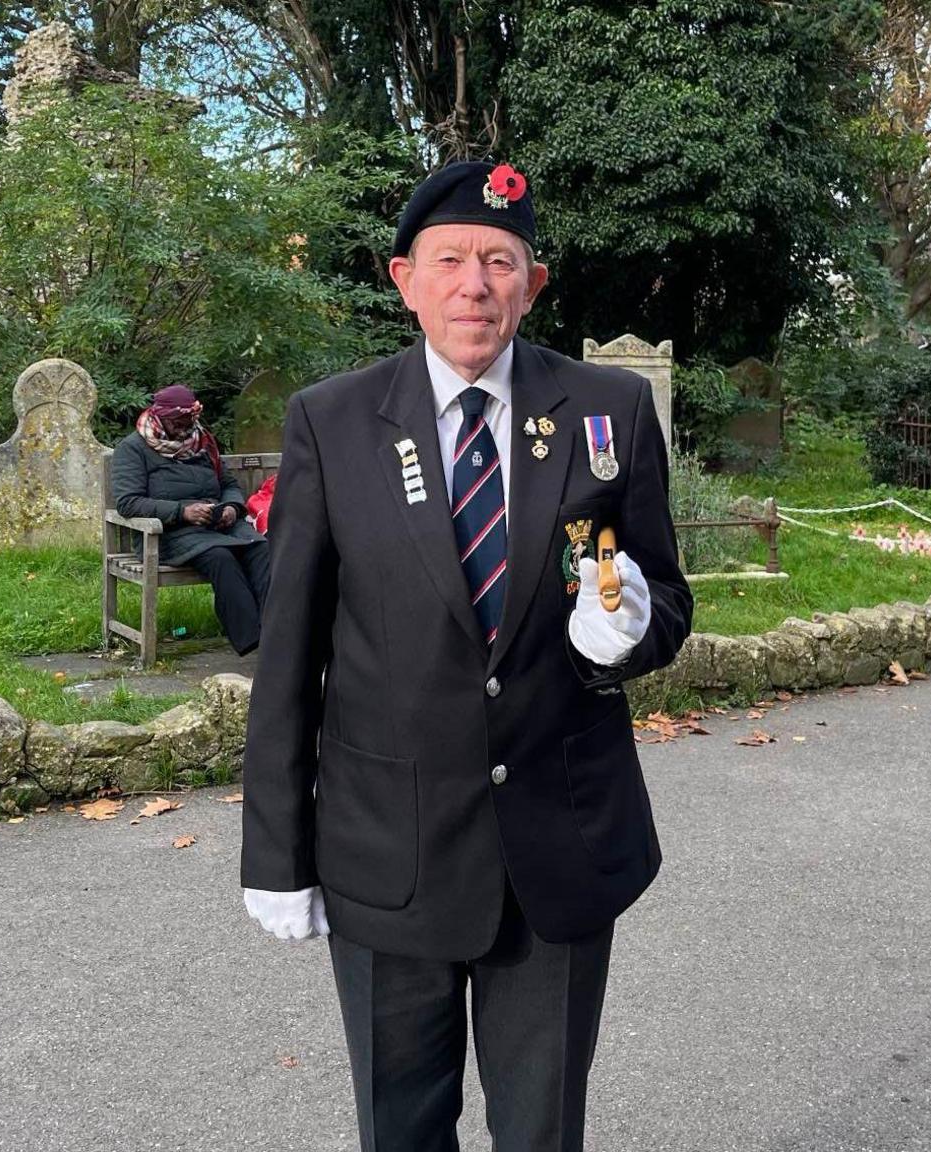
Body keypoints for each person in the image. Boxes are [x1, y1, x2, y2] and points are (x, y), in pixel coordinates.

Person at [238, 159, 692, 1152]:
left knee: (539, 1133)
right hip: (384, 851)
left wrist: (624, 633)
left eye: (499, 261)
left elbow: (660, 595)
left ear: (533, 284)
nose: (473, 285)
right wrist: (275, 853)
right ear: (404, 279)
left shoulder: (606, 407)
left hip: (558, 847)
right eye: (449, 260)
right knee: (400, 1130)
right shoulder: (334, 420)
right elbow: (289, 658)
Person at [109, 384, 271, 654]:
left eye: (189, 421)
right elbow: (128, 502)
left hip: (218, 525)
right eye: (177, 422)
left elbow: (228, 483)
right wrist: (182, 511)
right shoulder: (133, 448)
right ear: (159, 416)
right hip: (169, 533)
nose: (184, 428)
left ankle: (277, 632)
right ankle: (253, 641)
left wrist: (232, 507)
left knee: (262, 549)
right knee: (221, 557)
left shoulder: (204, 441)